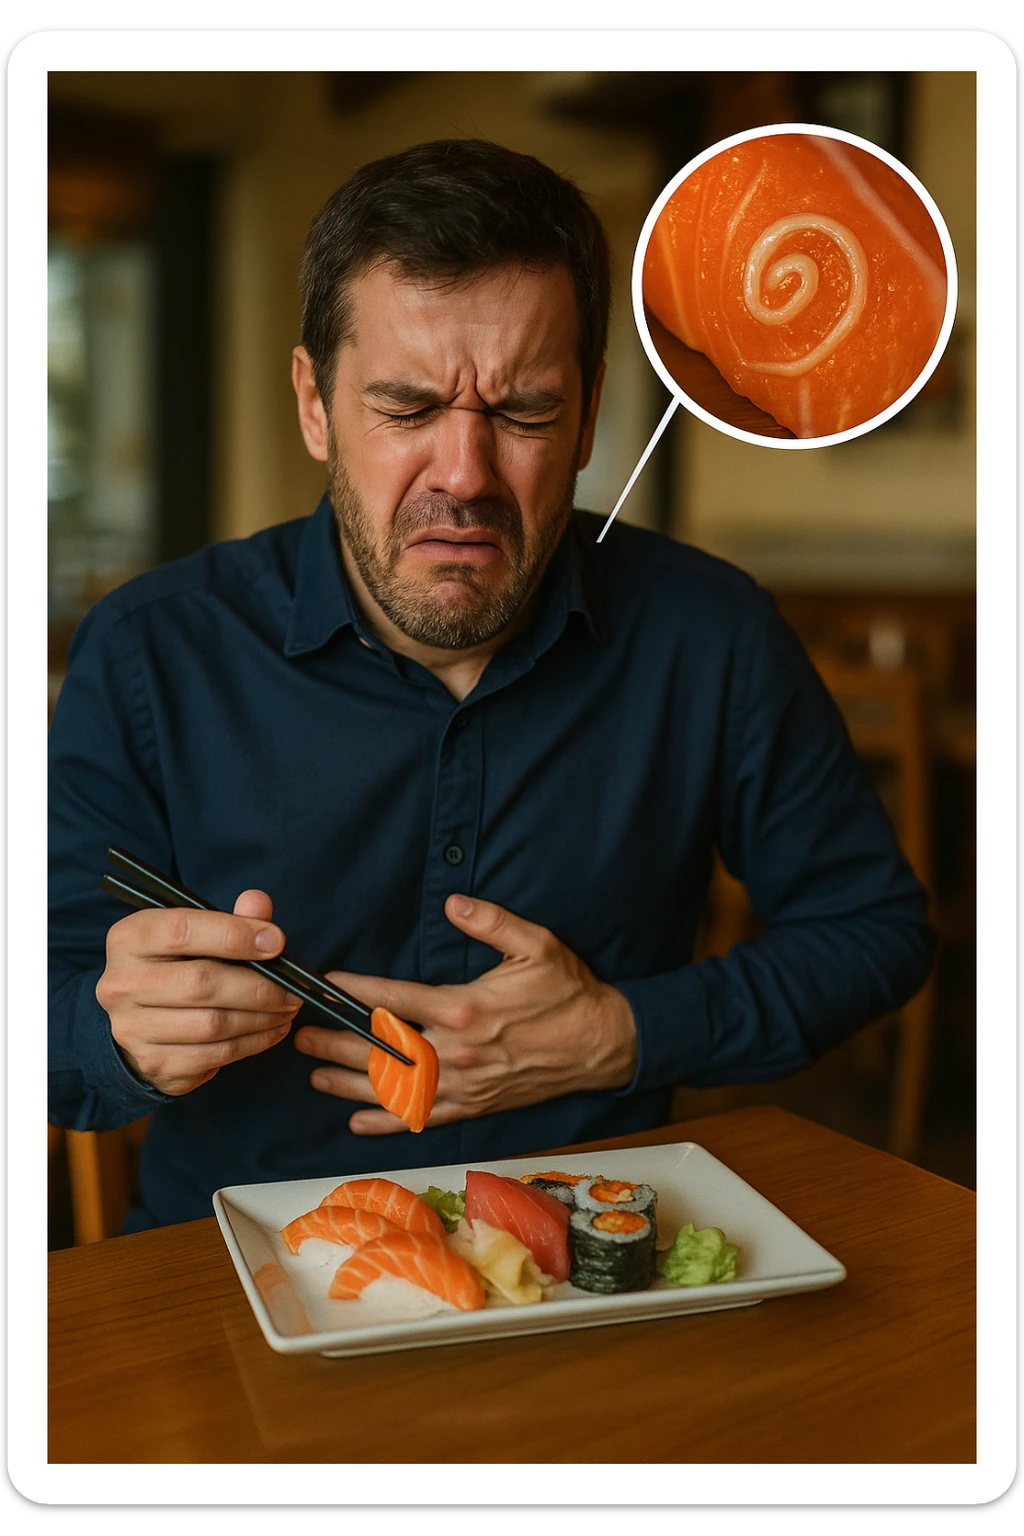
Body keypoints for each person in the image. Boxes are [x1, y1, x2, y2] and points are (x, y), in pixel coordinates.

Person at [48, 139, 933, 1231]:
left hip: (601, 1263)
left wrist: (626, 1030)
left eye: (521, 414)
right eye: (407, 409)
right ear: (315, 404)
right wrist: (118, 1034)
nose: (464, 475)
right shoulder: (150, 650)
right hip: (235, 1277)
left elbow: (873, 930)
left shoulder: (713, 635)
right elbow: (46, 1021)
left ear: (589, 413)